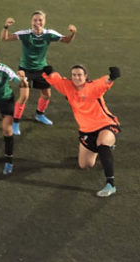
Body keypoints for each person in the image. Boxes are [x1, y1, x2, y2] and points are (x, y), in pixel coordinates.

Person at [42, 64, 121, 197]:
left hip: (105, 124)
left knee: (103, 144)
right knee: (84, 164)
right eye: (74, 75)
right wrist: (49, 73)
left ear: (85, 76)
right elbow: (56, 80)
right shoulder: (67, 87)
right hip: (86, 130)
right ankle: (102, 149)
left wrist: (112, 76)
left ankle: (110, 184)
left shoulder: (92, 87)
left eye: (79, 75)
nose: (76, 77)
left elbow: (103, 82)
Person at [2, 11, 76, 135]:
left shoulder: (49, 34)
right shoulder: (25, 34)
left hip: (42, 69)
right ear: (31, 22)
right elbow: (5, 38)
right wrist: (6, 27)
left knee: (46, 94)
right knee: (24, 96)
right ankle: (15, 123)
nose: (37, 22)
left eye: (40, 20)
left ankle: (39, 115)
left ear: (44, 21)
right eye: (35, 20)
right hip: (25, 70)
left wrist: (72, 33)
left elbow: (66, 40)